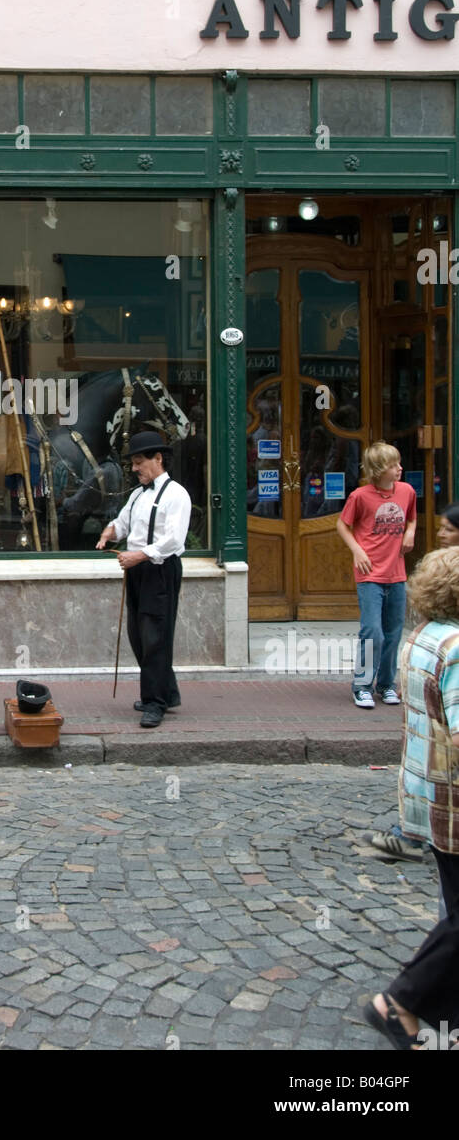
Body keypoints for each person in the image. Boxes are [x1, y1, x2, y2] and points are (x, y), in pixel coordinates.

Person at [363, 547, 459, 1049]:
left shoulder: (422, 638)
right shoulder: (457, 647)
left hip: (424, 793)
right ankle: (399, 1002)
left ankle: (442, 1020)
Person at [366, 500, 459, 864]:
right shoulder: (450, 648)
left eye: (447, 529)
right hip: (447, 799)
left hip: (423, 780)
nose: (440, 534)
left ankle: (410, 835)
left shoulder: (419, 636)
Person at [96, 430, 192, 730]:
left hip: (160, 570)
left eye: (139, 462)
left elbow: (173, 540)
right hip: (137, 570)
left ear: (158, 459)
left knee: (155, 637)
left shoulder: (177, 495)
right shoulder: (138, 494)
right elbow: (123, 523)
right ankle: (168, 691)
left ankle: (155, 703)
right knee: (138, 634)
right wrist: (109, 533)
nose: (135, 469)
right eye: (133, 463)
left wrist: (139, 556)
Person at [336, 441, 416, 709]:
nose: (400, 469)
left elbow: (412, 518)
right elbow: (342, 524)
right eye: (394, 465)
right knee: (373, 631)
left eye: (399, 463)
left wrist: (410, 532)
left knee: (393, 633)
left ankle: (385, 685)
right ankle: (362, 686)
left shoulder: (406, 491)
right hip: (369, 574)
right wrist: (357, 551)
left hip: (397, 574)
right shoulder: (360, 496)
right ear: (381, 469)